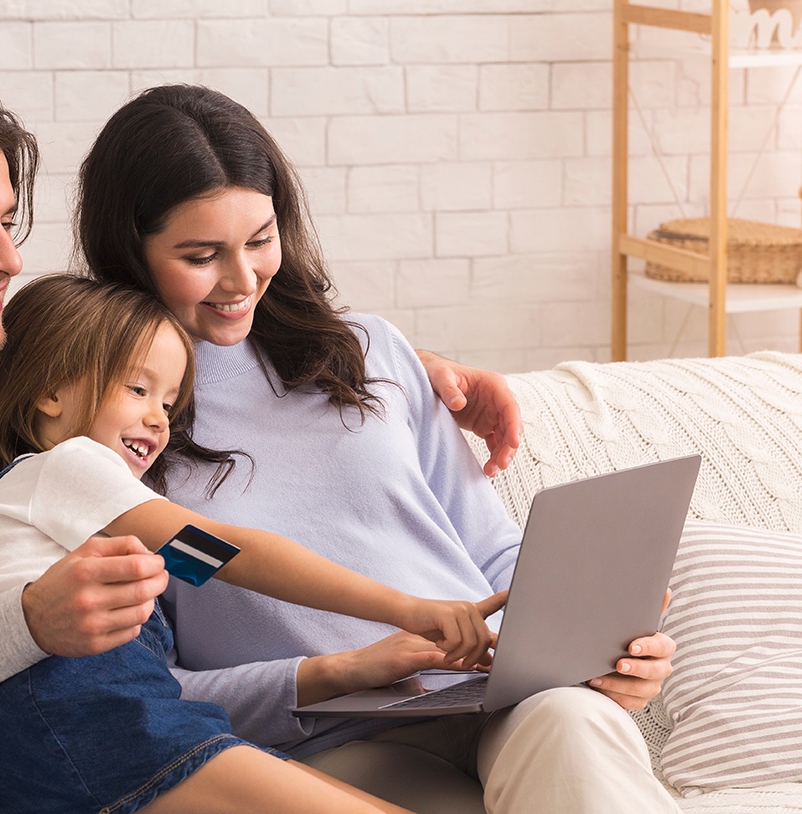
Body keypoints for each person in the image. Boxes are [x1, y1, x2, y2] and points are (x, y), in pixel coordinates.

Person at [0, 67, 521, 814]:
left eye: (8, 220)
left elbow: (195, 396)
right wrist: (28, 626)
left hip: (82, 743)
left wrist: (414, 369)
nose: (8, 258)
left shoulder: (16, 380)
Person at [74, 83, 680, 814]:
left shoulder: (371, 353)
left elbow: (491, 555)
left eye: (260, 241)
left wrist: (598, 639)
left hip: (498, 697)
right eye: (201, 255)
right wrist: (337, 671)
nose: (241, 282)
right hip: (324, 746)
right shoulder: (110, 426)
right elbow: (151, 692)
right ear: (128, 251)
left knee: (577, 724)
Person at [0, 273, 506, 813]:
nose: (158, 420)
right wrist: (408, 608)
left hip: (131, 710)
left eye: (169, 403)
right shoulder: (66, 469)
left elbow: (200, 560)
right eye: (137, 388)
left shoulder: (105, 515)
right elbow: (231, 555)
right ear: (49, 392)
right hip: (72, 710)